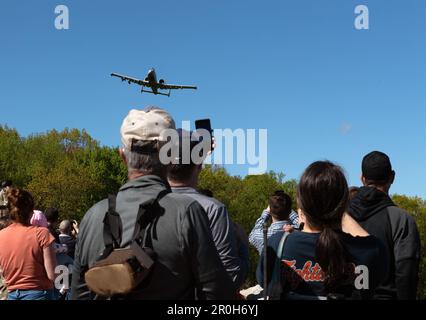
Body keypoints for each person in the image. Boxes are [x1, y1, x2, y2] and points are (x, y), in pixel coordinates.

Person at [71, 107, 234, 300]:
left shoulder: (92, 216)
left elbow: (79, 295)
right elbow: (217, 295)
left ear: (122, 155)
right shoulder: (187, 212)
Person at [257, 161, 388, 300]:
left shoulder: (277, 245)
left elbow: (263, 281)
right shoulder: (371, 251)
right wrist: (342, 212)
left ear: (300, 204)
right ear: (344, 204)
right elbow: (375, 249)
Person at [168, 129, 249, 290]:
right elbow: (231, 277)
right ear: (199, 166)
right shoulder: (213, 209)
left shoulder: (148, 203)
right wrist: (243, 247)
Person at [348, 151, 421, 300]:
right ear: (392, 177)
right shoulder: (401, 219)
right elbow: (406, 275)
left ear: (362, 178)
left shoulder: (341, 217)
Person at [0, 188, 57, 300]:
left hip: (12, 294)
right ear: (31, 211)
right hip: (40, 293)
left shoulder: (1, 235)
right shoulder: (42, 233)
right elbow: (52, 274)